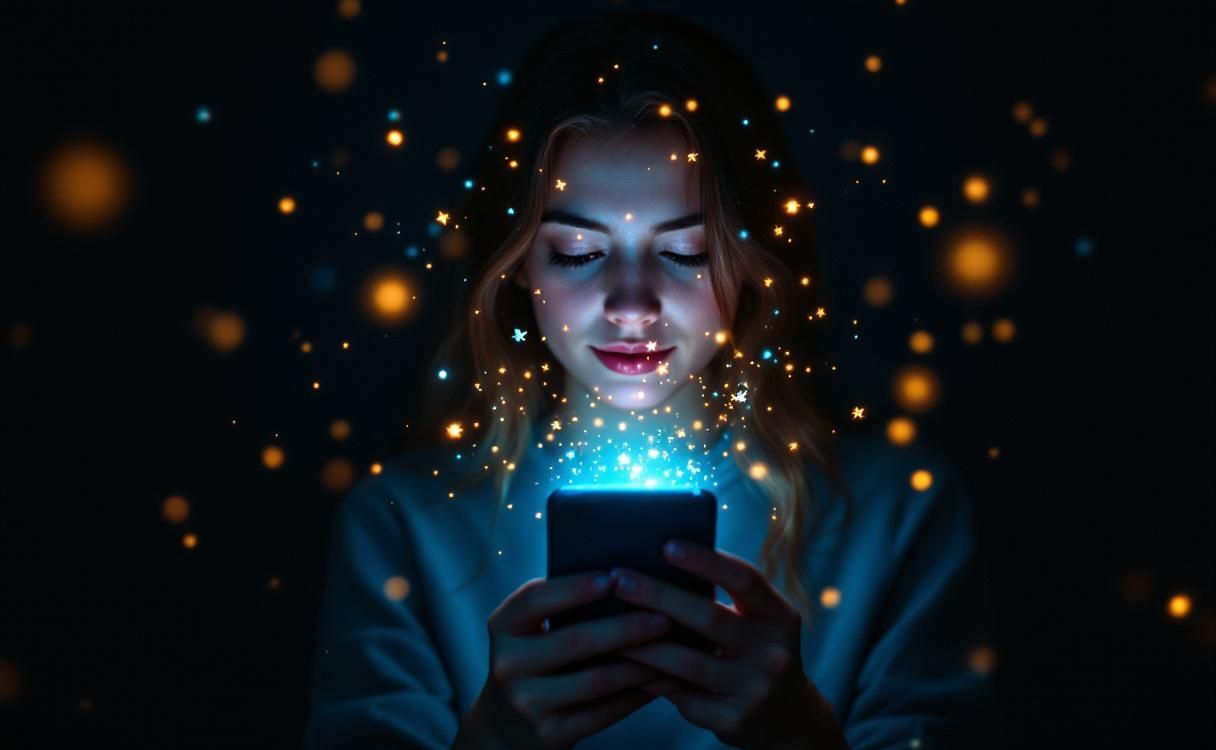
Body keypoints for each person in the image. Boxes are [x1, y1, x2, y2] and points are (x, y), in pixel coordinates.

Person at [302, 9, 995, 749]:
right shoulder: (403, 523)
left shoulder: (897, 516)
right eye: (575, 251)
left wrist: (801, 738)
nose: (632, 307)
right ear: (515, 270)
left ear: (754, 263)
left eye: (688, 252)